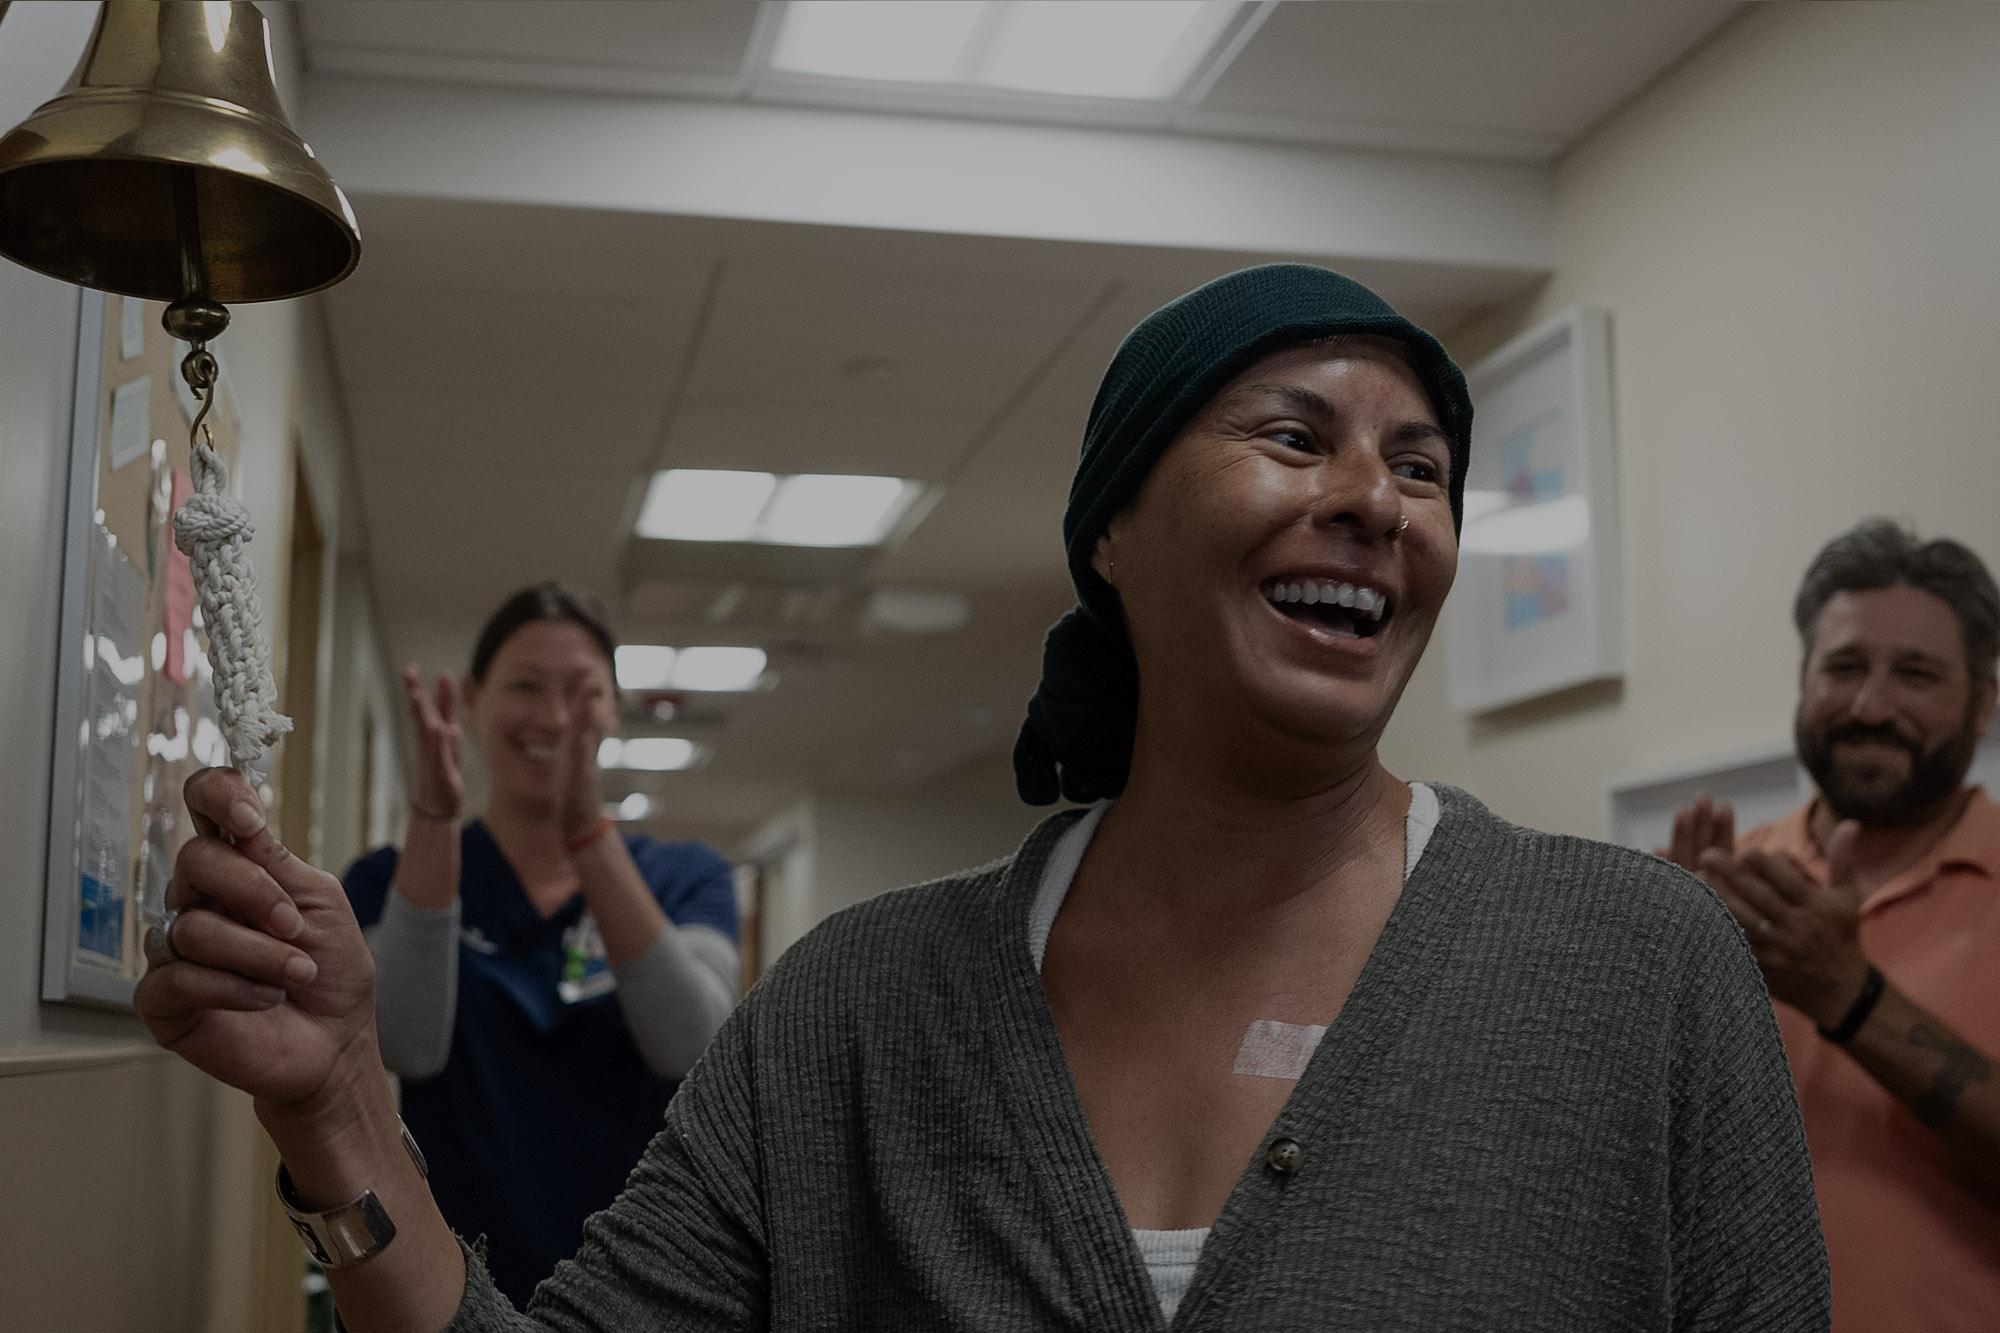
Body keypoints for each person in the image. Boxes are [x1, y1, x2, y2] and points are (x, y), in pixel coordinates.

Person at [137, 265, 1827, 1331]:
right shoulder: (863, 1013)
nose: (1375, 500)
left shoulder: (1641, 970)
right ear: (1112, 530)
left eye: (1421, 465)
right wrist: (340, 1110)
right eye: (1295, 436)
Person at [346, 583, 740, 1307]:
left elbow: (691, 1046)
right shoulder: (390, 880)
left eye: (583, 692)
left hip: (645, 1285)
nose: (554, 717)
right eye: (526, 686)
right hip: (448, 1284)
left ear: (615, 708)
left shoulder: (688, 877)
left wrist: (587, 829)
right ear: (473, 697)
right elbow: (406, 1044)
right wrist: (434, 818)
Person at [1663, 520, 2000, 1331]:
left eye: (1915, 673)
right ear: (1804, 681)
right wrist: (1650, 983)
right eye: (1843, 666)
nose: (1871, 705)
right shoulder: (1718, 886)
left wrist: (1847, 993)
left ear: (1984, 704)